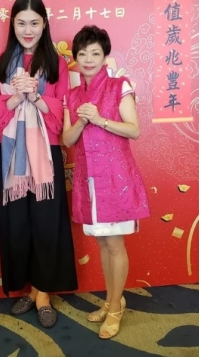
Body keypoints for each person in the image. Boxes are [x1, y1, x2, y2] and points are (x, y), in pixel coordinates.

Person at [0, 0, 78, 328]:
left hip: (44, 154)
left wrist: (35, 95)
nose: (28, 30)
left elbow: (60, 116)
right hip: (12, 154)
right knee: (18, 225)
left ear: (44, 24)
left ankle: (43, 294)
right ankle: (29, 287)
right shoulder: (0, 61)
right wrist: (16, 96)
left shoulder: (56, 63)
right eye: (21, 23)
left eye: (34, 23)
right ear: (12, 24)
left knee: (46, 223)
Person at [62, 25, 151, 340]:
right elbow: (67, 139)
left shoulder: (118, 86)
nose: (88, 59)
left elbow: (134, 129)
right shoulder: (72, 95)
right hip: (89, 181)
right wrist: (82, 120)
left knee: (115, 244)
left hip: (115, 178)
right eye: (83, 53)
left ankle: (115, 307)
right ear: (76, 58)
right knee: (103, 242)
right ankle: (113, 300)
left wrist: (100, 119)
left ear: (104, 57)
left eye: (95, 53)